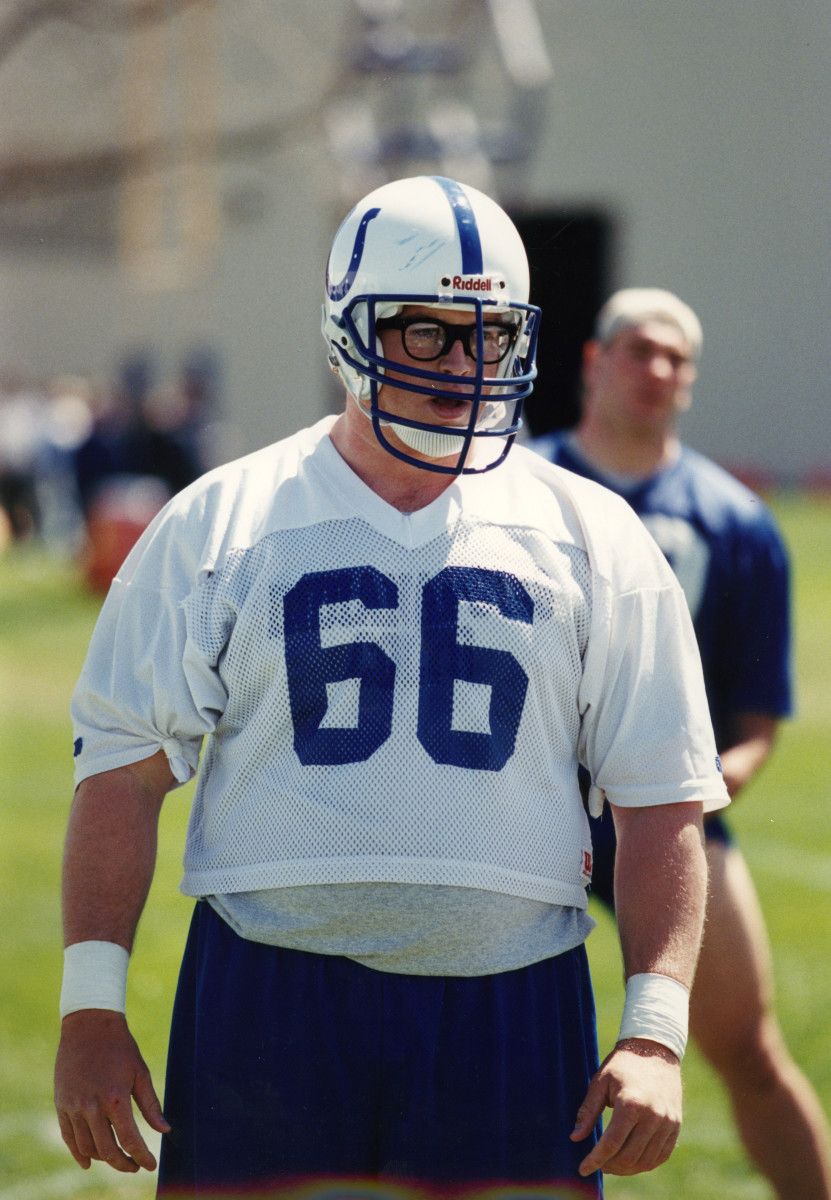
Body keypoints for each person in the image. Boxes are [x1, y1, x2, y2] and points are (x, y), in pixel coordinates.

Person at [54, 179, 729, 1199]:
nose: (463, 366)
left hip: (516, 1001)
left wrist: (656, 1032)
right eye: (426, 334)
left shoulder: (594, 535)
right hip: (267, 996)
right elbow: (123, 766)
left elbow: (662, 797)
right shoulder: (222, 521)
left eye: (489, 335)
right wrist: (91, 1006)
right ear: (347, 330)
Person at [531, 287, 831, 1200]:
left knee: (746, 1044)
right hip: (519, 812)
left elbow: (752, 724)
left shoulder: (732, 521)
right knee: (492, 1041)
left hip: (671, 820)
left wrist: (683, 792)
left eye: (676, 358)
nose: (656, 371)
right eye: (637, 350)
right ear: (593, 361)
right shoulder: (516, 491)